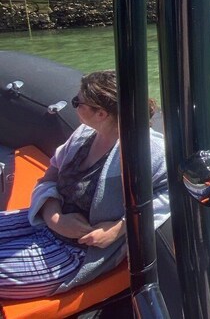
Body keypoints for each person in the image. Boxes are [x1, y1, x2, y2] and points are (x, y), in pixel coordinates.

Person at [0, 70, 169, 300]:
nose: (74, 105)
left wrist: (119, 229)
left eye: (77, 102)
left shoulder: (149, 151)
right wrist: (54, 217)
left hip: (75, 252)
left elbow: (172, 192)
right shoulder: (83, 135)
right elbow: (50, 175)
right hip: (41, 222)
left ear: (101, 113)